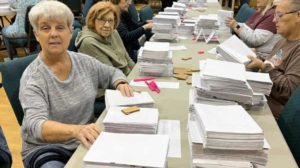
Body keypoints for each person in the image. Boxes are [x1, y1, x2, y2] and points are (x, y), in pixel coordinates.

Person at [19, 1, 134, 167]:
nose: (53, 34)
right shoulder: (33, 78)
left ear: (70, 32)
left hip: (85, 140)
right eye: (45, 28)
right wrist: (77, 130)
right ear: (37, 34)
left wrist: (120, 82)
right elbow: (36, 125)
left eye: (60, 27)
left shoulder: (84, 62)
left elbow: (111, 72)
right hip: (47, 148)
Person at [246, 0, 300, 120]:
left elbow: (288, 91)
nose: (274, 20)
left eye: (279, 15)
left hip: (272, 112)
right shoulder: (283, 40)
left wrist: (263, 66)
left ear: (298, 15)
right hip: (261, 98)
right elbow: (275, 65)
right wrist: (259, 60)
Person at [75, 1, 135, 77]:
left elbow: (127, 59)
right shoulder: (88, 42)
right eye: (102, 20)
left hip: (129, 77)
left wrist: (138, 74)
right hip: (115, 83)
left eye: (110, 20)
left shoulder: (114, 32)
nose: (107, 25)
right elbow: (110, 75)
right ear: (93, 21)